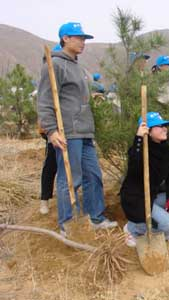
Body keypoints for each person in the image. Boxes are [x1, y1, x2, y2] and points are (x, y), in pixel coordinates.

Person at [37, 22, 118, 237]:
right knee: (70, 179)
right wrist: (52, 131)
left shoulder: (77, 66)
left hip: (84, 132)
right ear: (65, 38)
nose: (83, 42)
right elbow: (44, 100)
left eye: (84, 38)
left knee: (93, 175)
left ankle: (95, 218)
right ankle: (68, 224)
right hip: (68, 132)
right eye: (79, 38)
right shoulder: (54, 65)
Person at [120, 112, 169, 247]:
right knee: (167, 222)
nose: (165, 128)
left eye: (165, 126)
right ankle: (132, 230)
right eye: (160, 126)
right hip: (136, 199)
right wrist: (139, 138)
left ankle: (167, 233)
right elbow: (135, 166)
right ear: (148, 131)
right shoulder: (138, 149)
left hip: (152, 196)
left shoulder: (165, 150)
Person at [37, 43, 64, 215]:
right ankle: (44, 199)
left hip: (69, 127)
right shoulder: (47, 75)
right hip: (53, 127)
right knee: (52, 162)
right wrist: (50, 129)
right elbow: (43, 103)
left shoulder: (66, 73)